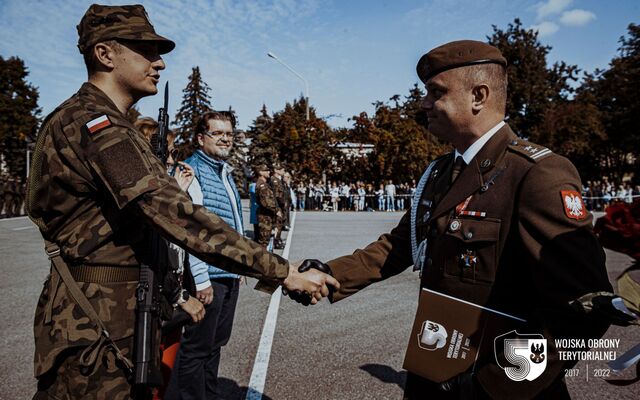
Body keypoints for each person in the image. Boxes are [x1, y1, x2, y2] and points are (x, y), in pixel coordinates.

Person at [26, 5, 338, 399]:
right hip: (95, 321)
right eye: (145, 50)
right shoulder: (94, 125)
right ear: (105, 55)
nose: (159, 63)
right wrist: (283, 272)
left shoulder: (106, 123)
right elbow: (175, 214)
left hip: (114, 312)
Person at [298, 40, 612, 399]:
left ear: (478, 96)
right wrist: (330, 273)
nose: (424, 103)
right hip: (434, 368)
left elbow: (584, 309)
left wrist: (495, 382)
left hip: (495, 387)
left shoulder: (536, 174)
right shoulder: (442, 172)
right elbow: (400, 245)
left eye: (436, 92)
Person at [165, 111, 243, 400]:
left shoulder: (223, 171)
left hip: (227, 274)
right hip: (207, 278)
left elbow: (232, 222)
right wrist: (200, 280)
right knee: (197, 349)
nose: (225, 139)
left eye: (229, 134)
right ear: (201, 138)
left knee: (215, 345)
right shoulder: (192, 171)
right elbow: (190, 232)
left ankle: (209, 396)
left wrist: (239, 266)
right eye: (218, 133)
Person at [255, 165, 279, 247]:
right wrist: (277, 210)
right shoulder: (262, 185)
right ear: (260, 172)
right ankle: (261, 259)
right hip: (265, 217)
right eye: (266, 170)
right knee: (264, 243)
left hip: (267, 216)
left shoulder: (264, 184)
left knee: (266, 242)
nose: (269, 172)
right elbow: (266, 202)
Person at [270, 164, 286, 249]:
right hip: (277, 206)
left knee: (279, 224)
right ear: (276, 170)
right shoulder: (274, 180)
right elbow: (277, 196)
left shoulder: (278, 180)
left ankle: (278, 239)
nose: (283, 171)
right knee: (277, 225)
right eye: (281, 170)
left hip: (279, 206)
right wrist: (282, 204)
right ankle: (276, 242)